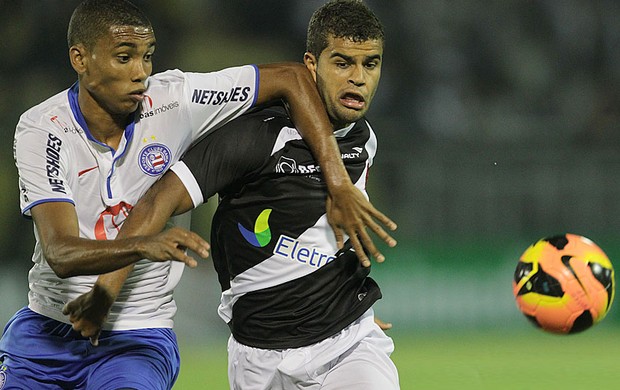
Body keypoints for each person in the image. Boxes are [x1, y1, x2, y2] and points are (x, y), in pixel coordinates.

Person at [0, 0, 397, 389]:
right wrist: (139, 250)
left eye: (148, 57)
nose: (141, 73)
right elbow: (62, 253)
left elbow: (289, 78)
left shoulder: (176, 99)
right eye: (125, 58)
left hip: (138, 335)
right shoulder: (43, 129)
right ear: (80, 59)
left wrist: (344, 316)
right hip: (48, 327)